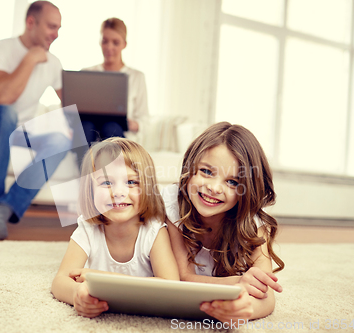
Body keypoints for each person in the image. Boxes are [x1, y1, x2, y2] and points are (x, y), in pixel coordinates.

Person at [0, 1, 71, 240]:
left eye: (59, 29)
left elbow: (70, 104)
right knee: (7, 113)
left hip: (20, 133)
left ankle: (4, 209)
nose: (55, 35)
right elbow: (2, 97)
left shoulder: (53, 63)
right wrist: (30, 59)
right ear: (31, 22)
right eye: (51, 27)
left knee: (60, 140)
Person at [162, 122, 285, 324]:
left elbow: (266, 293)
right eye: (207, 172)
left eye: (232, 182)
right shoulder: (173, 205)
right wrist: (238, 282)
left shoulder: (251, 221)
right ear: (189, 168)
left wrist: (243, 310)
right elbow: (183, 277)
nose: (214, 188)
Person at [51, 137, 179, 318]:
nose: (119, 192)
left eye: (131, 182)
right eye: (106, 183)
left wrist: (103, 278)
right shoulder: (88, 229)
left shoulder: (154, 231)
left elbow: (171, 285)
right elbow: (59, 281)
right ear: (90, 191)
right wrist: (76, 294)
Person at [76, 18, 148, 165]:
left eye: (115, 42)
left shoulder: (136, 77)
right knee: (86, 127)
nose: (109, 47)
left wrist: (131, 123)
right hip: (88, 130)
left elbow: (144, 120)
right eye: (105, 41)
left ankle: (111, 180)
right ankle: (88, 181)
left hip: (116, 131)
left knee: (111, 127)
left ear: (124, 44)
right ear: (100, 42)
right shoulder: (87, 73)